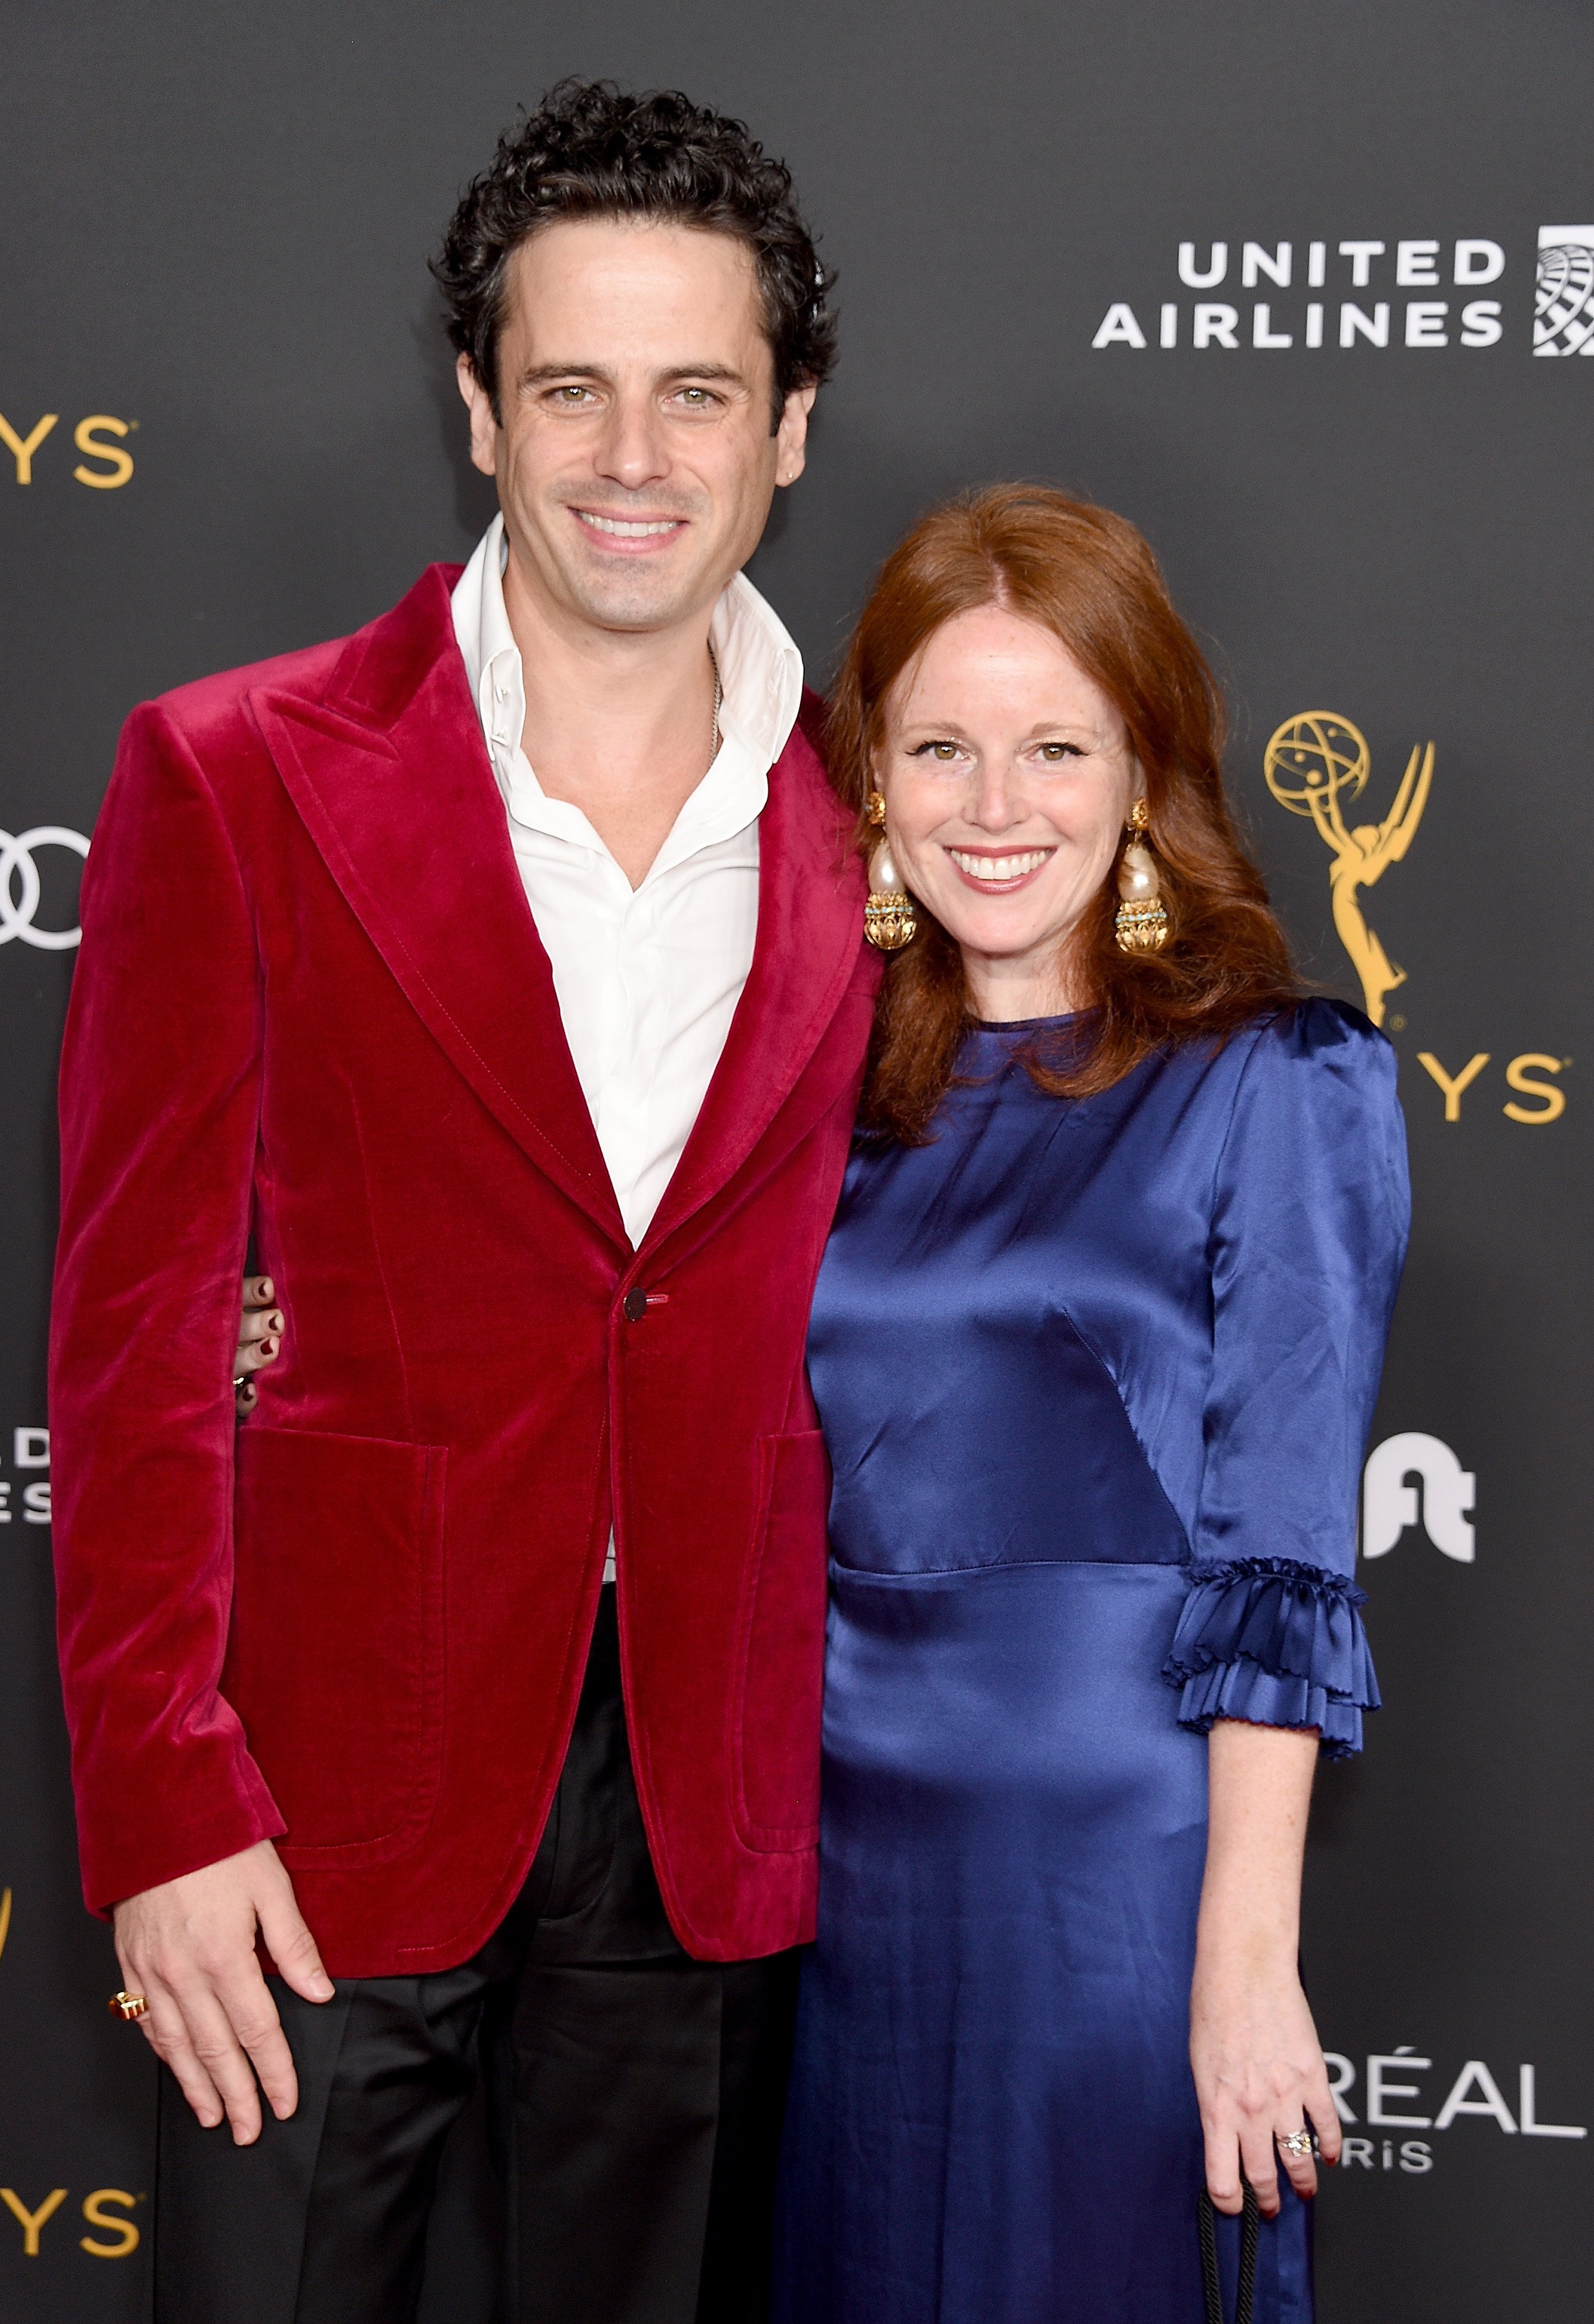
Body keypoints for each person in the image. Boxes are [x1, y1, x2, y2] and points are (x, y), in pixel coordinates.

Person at [48, 81, 875, 2324]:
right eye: (571, 388)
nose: (635, 453)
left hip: (710, 1792)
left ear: (785, 426)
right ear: (478, 414)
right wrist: (162, 1807)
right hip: (310, 1795)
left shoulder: (891, 818)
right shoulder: (231, 772)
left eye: (696, 391)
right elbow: (130, 1340)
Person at [764, 485, 1409, 2323]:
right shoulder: (805, 1101)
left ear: (1141, 774)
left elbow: (1283, 1550)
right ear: (868, 778)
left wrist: (1242, 1960)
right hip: (817, 1878)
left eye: (1054, 748)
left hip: (1114, 1879)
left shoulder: (1276, 1081)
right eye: (939, 749)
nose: (993, 807)